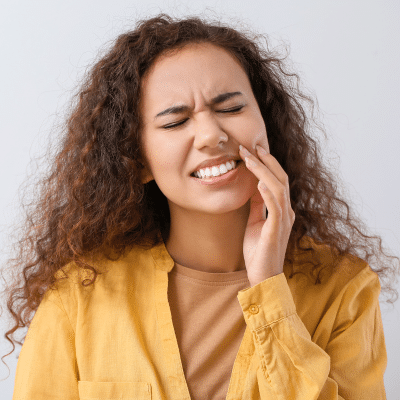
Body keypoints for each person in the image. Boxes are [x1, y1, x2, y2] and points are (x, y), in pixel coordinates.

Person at [2, 13, 398, 400]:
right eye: (175, 122)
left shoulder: (344, 289)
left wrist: (268, 291)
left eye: (230, 108)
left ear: (267, 124)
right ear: (137, 160)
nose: (211, 135)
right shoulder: (76, 297)